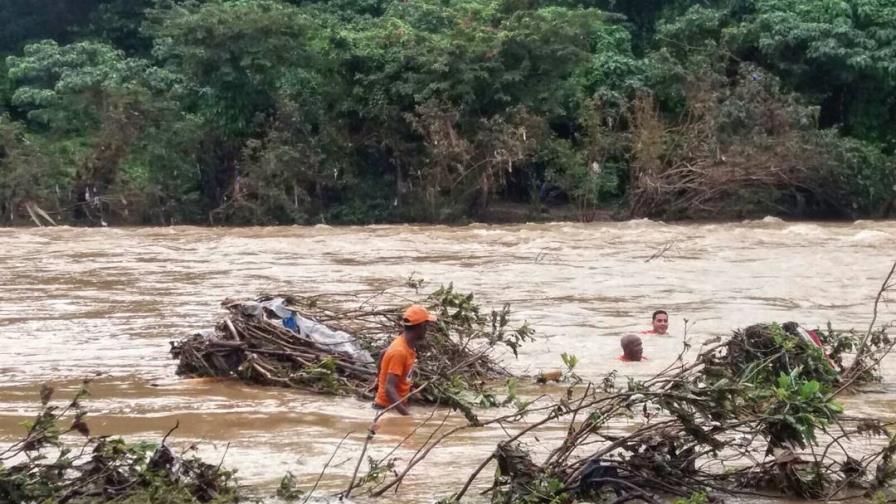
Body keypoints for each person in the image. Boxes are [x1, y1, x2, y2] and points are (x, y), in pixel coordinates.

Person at [374, 304, 437, 415]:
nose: (427, 330)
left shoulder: (405, 343)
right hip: (387, 410)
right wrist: (407, 416)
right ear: (421, 326)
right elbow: (389, 389)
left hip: (393, 407)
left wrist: (378, 381)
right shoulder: (400, 351)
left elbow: (383, 353)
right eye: (427, 325)